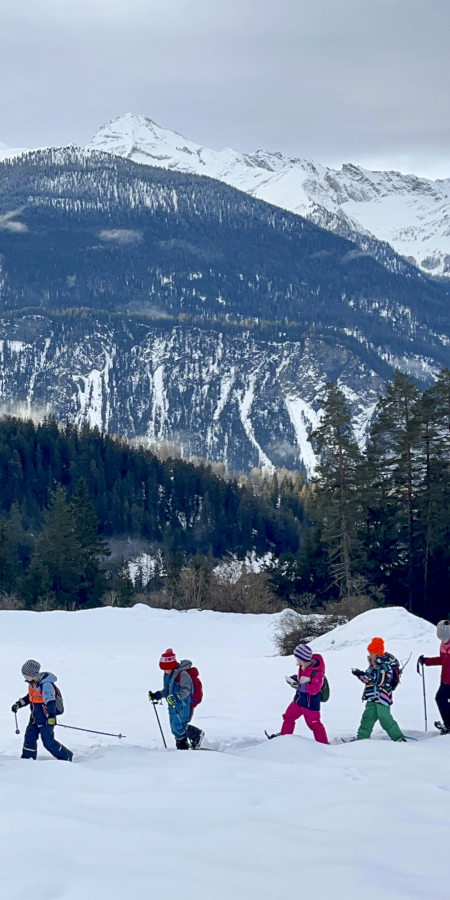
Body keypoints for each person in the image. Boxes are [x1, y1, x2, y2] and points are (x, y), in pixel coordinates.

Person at [11, 659, 73, 761]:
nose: (24, 677)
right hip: (34, 719)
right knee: (29, 739)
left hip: (46, 720)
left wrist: (51, 717)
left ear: (33, 675)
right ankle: (27, 760)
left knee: (48, 742)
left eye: (25, 675)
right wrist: (18, 704)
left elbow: (50, 702)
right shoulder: (33, 685)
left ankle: (66, 756)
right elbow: (29, 697)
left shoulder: (46, 685)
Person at [148, 649, 205, 750]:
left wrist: (177, 696)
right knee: (174, 727)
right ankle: (182, 745)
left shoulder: (182, 675)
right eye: (164, 669)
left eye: (167, 668)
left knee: (179, 725)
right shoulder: (168, 675)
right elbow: (167, 691)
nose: (165, 671)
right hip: (173, 705)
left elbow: (187, 690)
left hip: (184, 704)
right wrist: (157, 695)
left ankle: (196, 735)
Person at [352, 638, 405, 742]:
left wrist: (363, 675)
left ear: (377, 652)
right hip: (372, 695)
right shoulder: (374, 663)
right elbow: (369, 679)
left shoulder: (385, 665)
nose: (369, 654)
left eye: (371, 652)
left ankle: (398, 738)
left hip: (382, 697)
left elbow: (379, 682)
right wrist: (360, 675)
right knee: (367, 717)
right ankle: (361, 738)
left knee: (385, 719)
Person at [277, 643, 328, 744]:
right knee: (288, 717)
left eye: (298, 659)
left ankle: (324, 745)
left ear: (304, 659)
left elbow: (315, 689)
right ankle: (283, 740)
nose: (297, 662)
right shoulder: (304, 666)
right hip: (299, 699)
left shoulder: (317, 672)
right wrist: (295, 679)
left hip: (310, 703)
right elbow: (304, 680)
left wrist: (300, 686)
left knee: (315, 725)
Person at [418, 619, 450, 734]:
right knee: (440, 698)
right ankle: (448, 725)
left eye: (444, 638)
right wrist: (426, 661)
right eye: (441, 638)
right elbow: (442, 660)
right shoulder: (443, 646)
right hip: (445, 680)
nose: (442, 640)